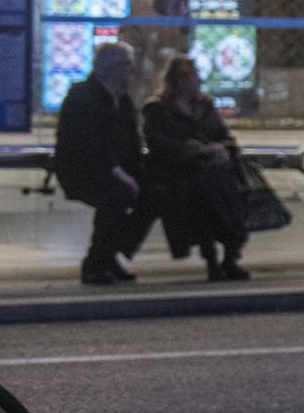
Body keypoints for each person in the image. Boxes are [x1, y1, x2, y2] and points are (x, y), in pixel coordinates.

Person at [54, 41, 154, 286]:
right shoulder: (82, 97)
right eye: (128, 68)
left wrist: (141, 172)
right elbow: (89, 144)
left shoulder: (124, 100)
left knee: (155, 194)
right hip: (85, 171)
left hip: (117, 170)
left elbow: (132, 142)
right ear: (113, 68)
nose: (132, 74)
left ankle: (110, 253)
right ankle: (96, 262)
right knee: (116, 195)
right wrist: (119, 172)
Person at [144, 56, 251, 281]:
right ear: (175, 80)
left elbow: (224, 137)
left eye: (194, 76)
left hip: (213, 168)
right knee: (203, 198)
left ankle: (230, 256)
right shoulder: (158, 108)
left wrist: (221, 147)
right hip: (181, 172)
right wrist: (190, 150)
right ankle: (214, 259)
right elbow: (157, 142)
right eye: (186, 77)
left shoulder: (204, 105)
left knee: (229, 196)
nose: (193, 82)